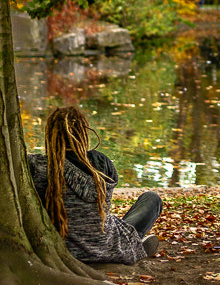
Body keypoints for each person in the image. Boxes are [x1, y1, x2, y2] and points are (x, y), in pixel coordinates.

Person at [27, 105, 162, 265]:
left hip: (63, 249)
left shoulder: (37, 165)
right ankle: (135, 243)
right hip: (106, 246)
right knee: (151, 199)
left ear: (51, 135)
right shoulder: (102, 163)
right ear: (84, 132)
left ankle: (135, 243)